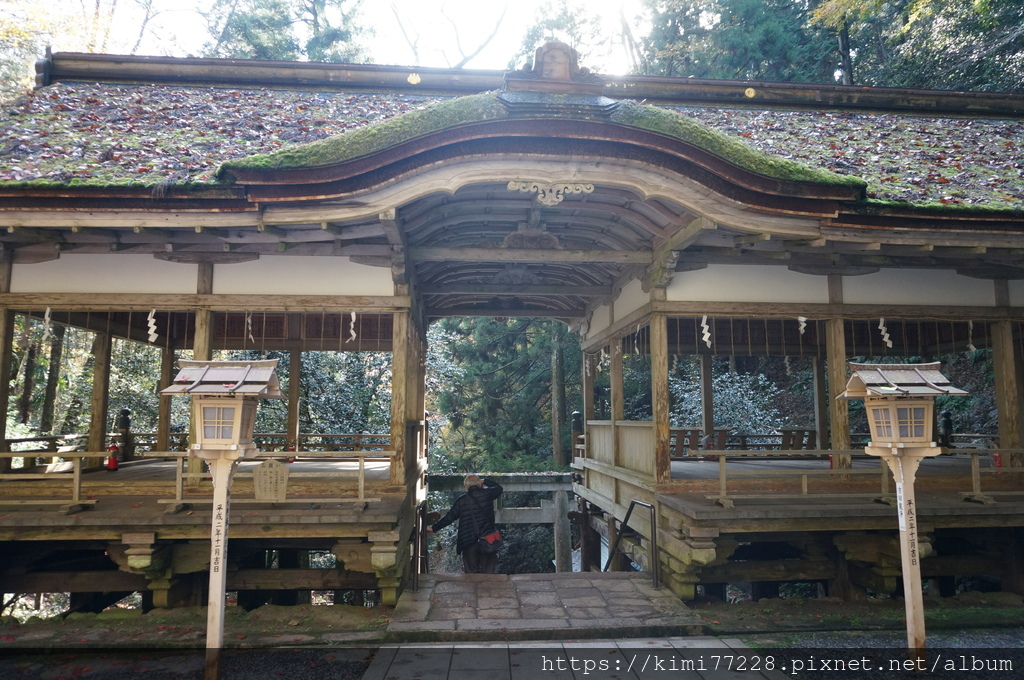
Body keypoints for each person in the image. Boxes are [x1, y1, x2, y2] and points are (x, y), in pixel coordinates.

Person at [426, 474, 503, 574]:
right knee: (488, 571)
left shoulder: (461, 501)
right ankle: (486, 588)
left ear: (466, 487)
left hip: (469, 541)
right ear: (479, 484)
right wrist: (485, 481)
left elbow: (449, 518)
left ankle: (473, 588)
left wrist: (434, 528)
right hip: (487, 539)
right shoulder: (488, 494)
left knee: (471, 572)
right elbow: (499, 488)